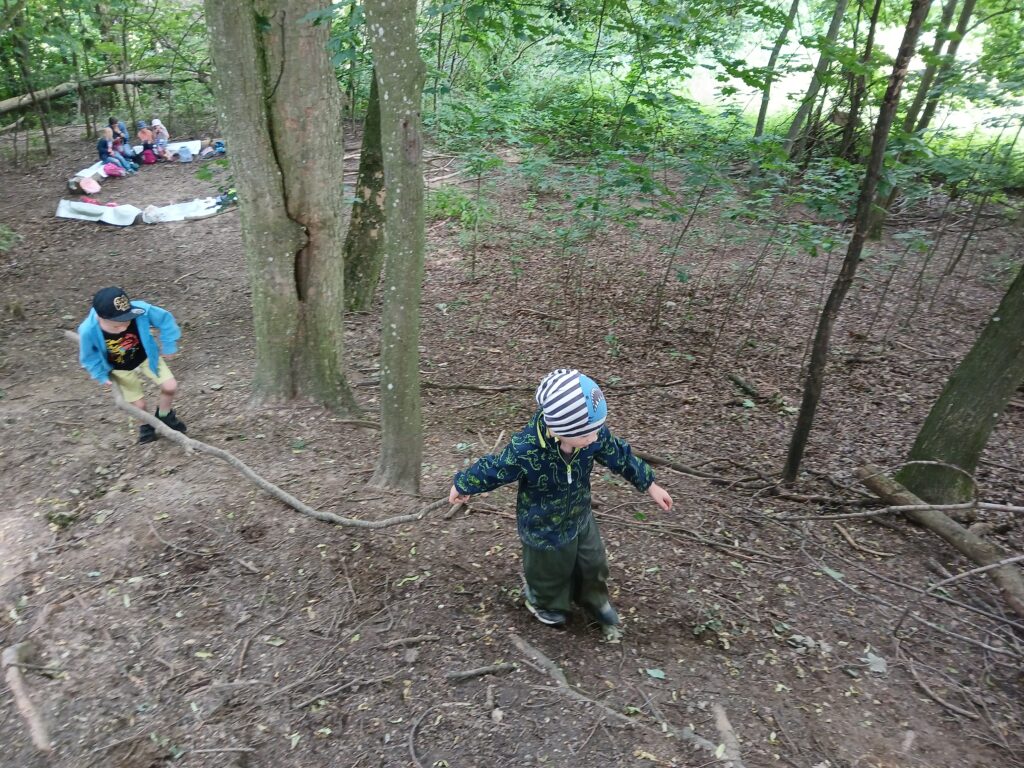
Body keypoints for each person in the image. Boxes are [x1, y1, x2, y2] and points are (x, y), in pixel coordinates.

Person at [449, 368, 673, 641]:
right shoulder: (526, 449)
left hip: (579, 514)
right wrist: (464, 484)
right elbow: (495, 469)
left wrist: (649, 484)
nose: (595, 438)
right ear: (559, 430)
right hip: (543, 525)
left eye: (596, 431)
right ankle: (544, 602)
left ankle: (595, 599)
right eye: (587, 435)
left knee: (593, 561)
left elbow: (618, 454)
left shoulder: (590, 435)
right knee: (549, 572)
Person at [78, 287, 187, 444]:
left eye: (127, 321)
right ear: (100, 318)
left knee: (170, 386)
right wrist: (100, 374)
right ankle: (146, 426)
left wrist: (169, 344)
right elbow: (89, 357)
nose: (123, 327)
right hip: (120, 368)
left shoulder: (140, 310)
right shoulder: (88, 330)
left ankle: (165, 416)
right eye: (116, 326)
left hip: (147, 357)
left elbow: (164, 319)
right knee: (139, 404)